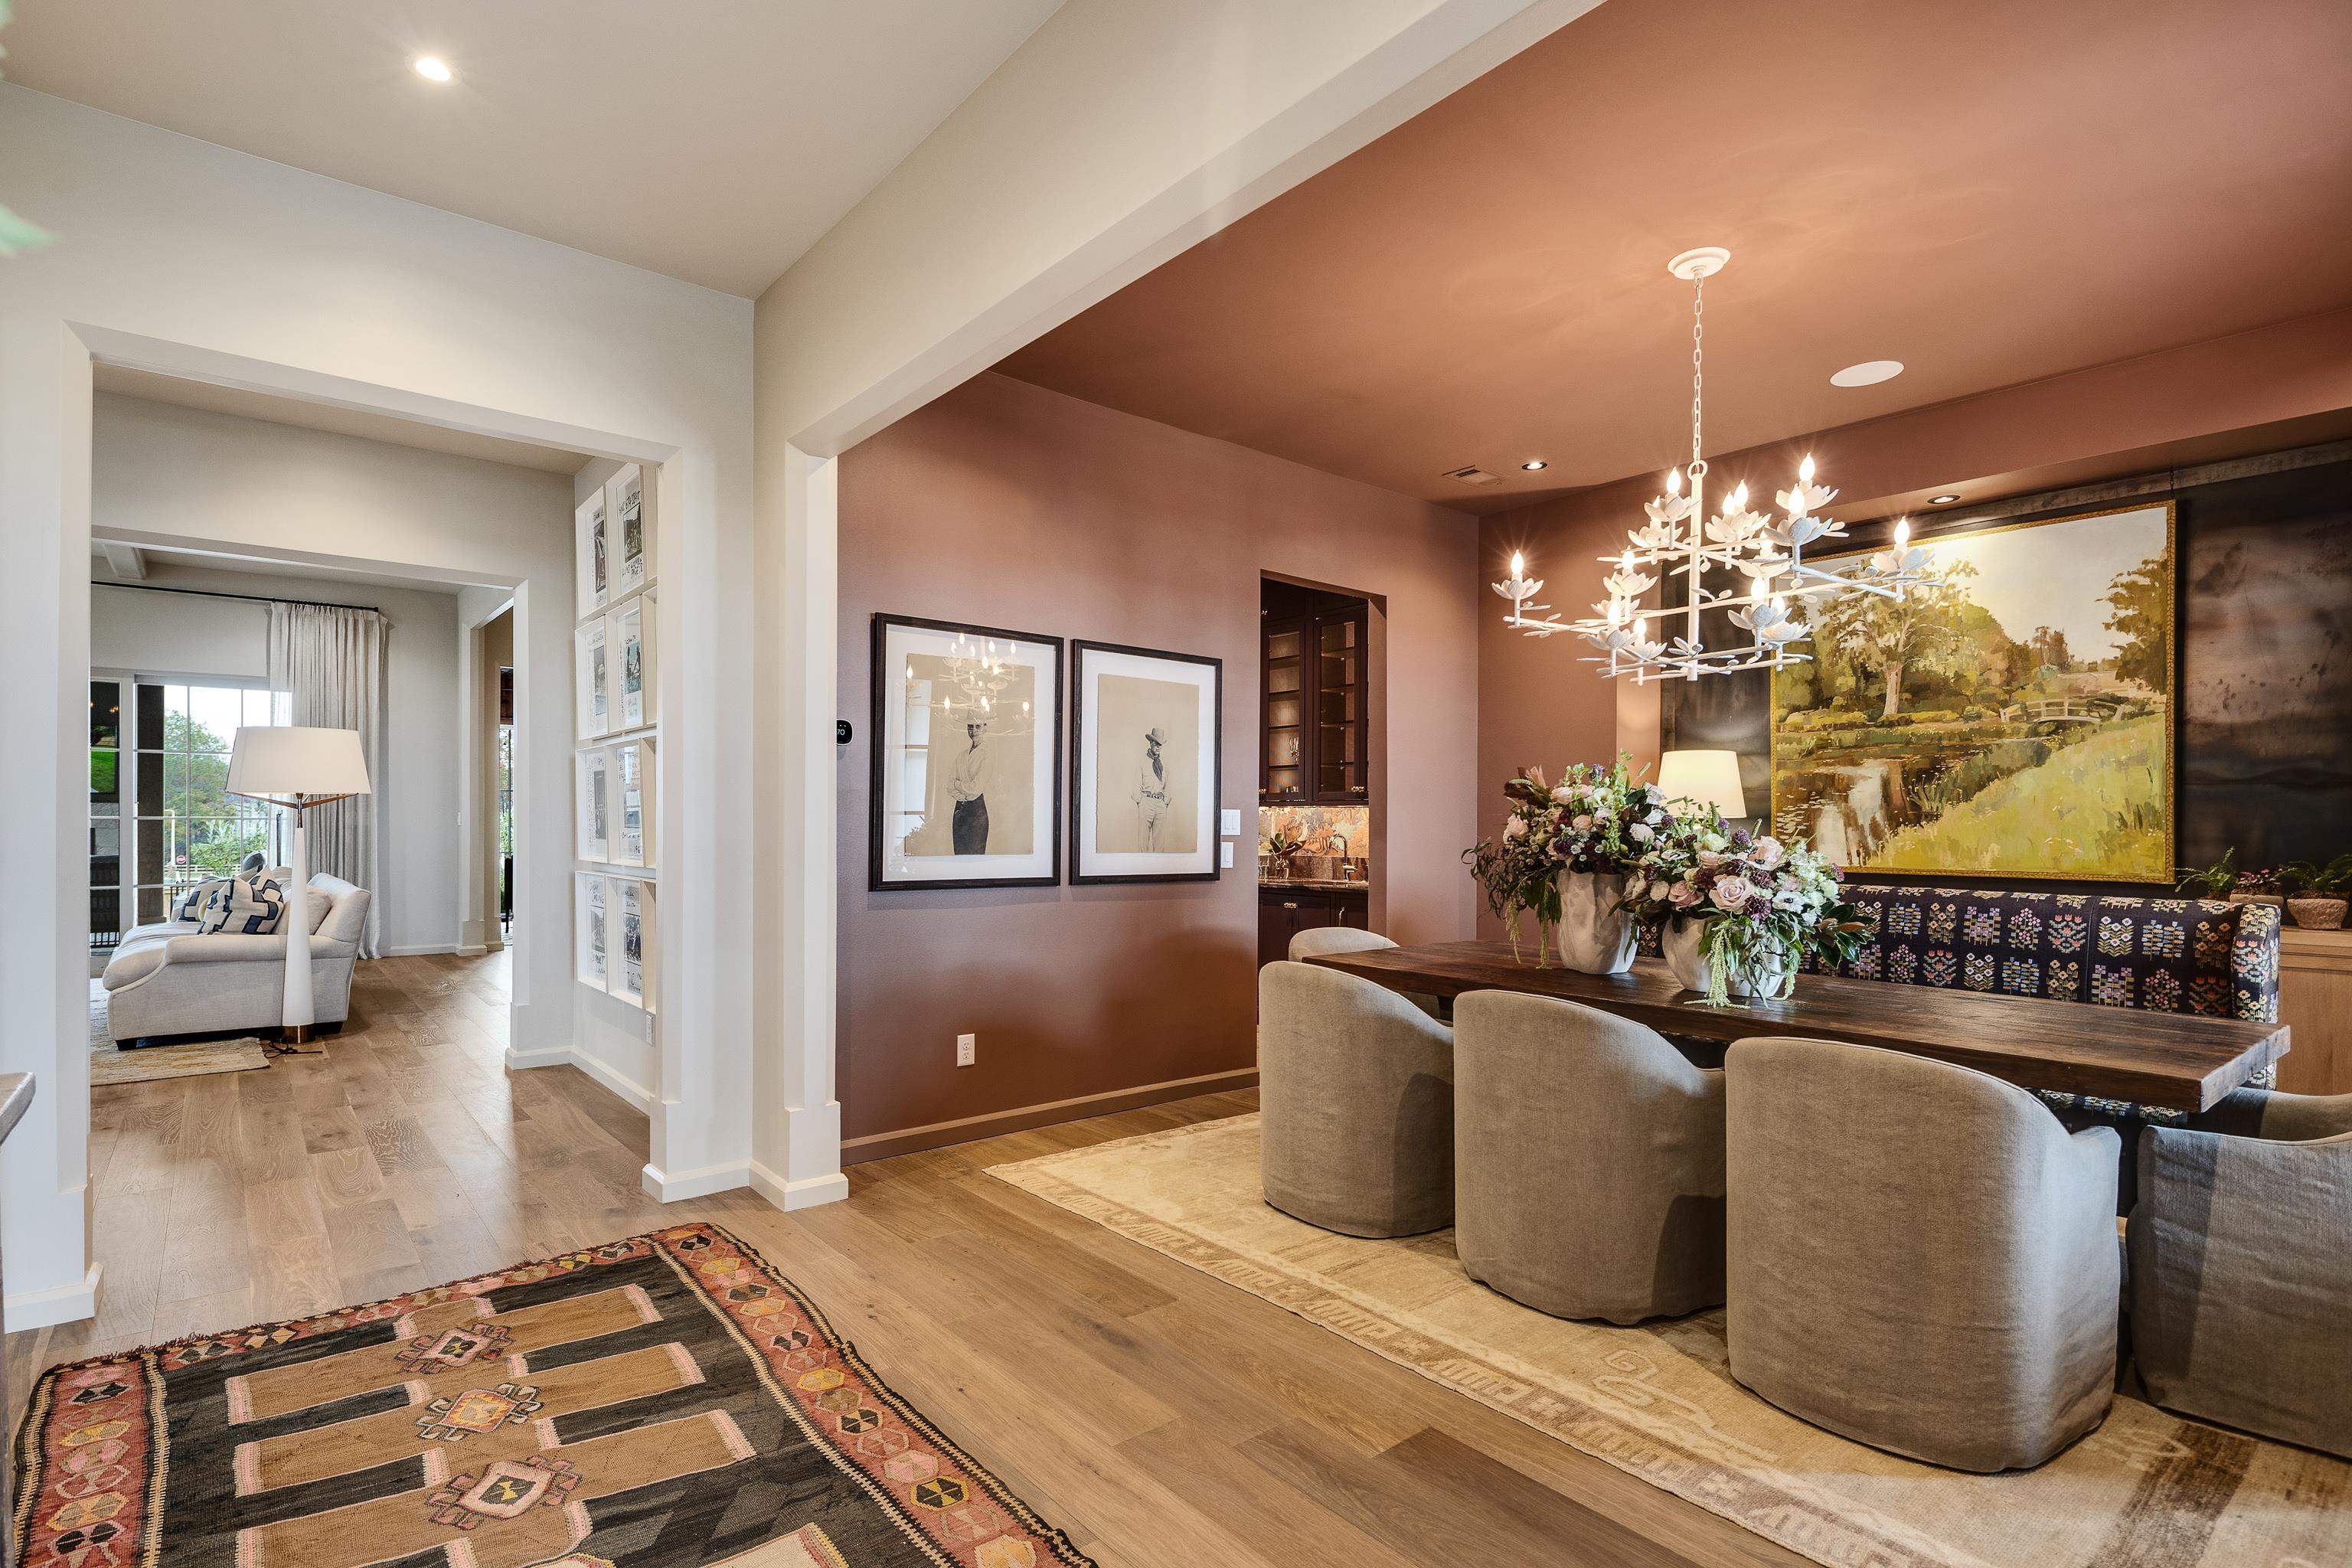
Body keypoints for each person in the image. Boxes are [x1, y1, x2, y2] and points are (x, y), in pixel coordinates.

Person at [949, 716, 992, 854]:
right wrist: (964, 795)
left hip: (977, 812)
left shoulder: (987, 755)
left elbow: (976, 788)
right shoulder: (961, 756)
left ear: (985, 728)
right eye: (970, 726)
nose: (973, 731)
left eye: (978, 726)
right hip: (959, 811)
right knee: (959, 855)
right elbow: (949, 786)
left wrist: (957, 784)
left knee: (975, 856)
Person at [1133, 725, 1170, 851]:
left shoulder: (1164, 764)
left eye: (1161, 745)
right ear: (1151, 743)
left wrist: (1164, 803)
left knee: (1160, 844)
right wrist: (1141, 803)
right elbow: (1136, 786)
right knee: (1143, 843)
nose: (1159, 747)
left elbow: (1168, 786)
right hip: (1146, 802)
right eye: (1156, 743)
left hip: (1160, 804)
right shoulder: (1142, 762)